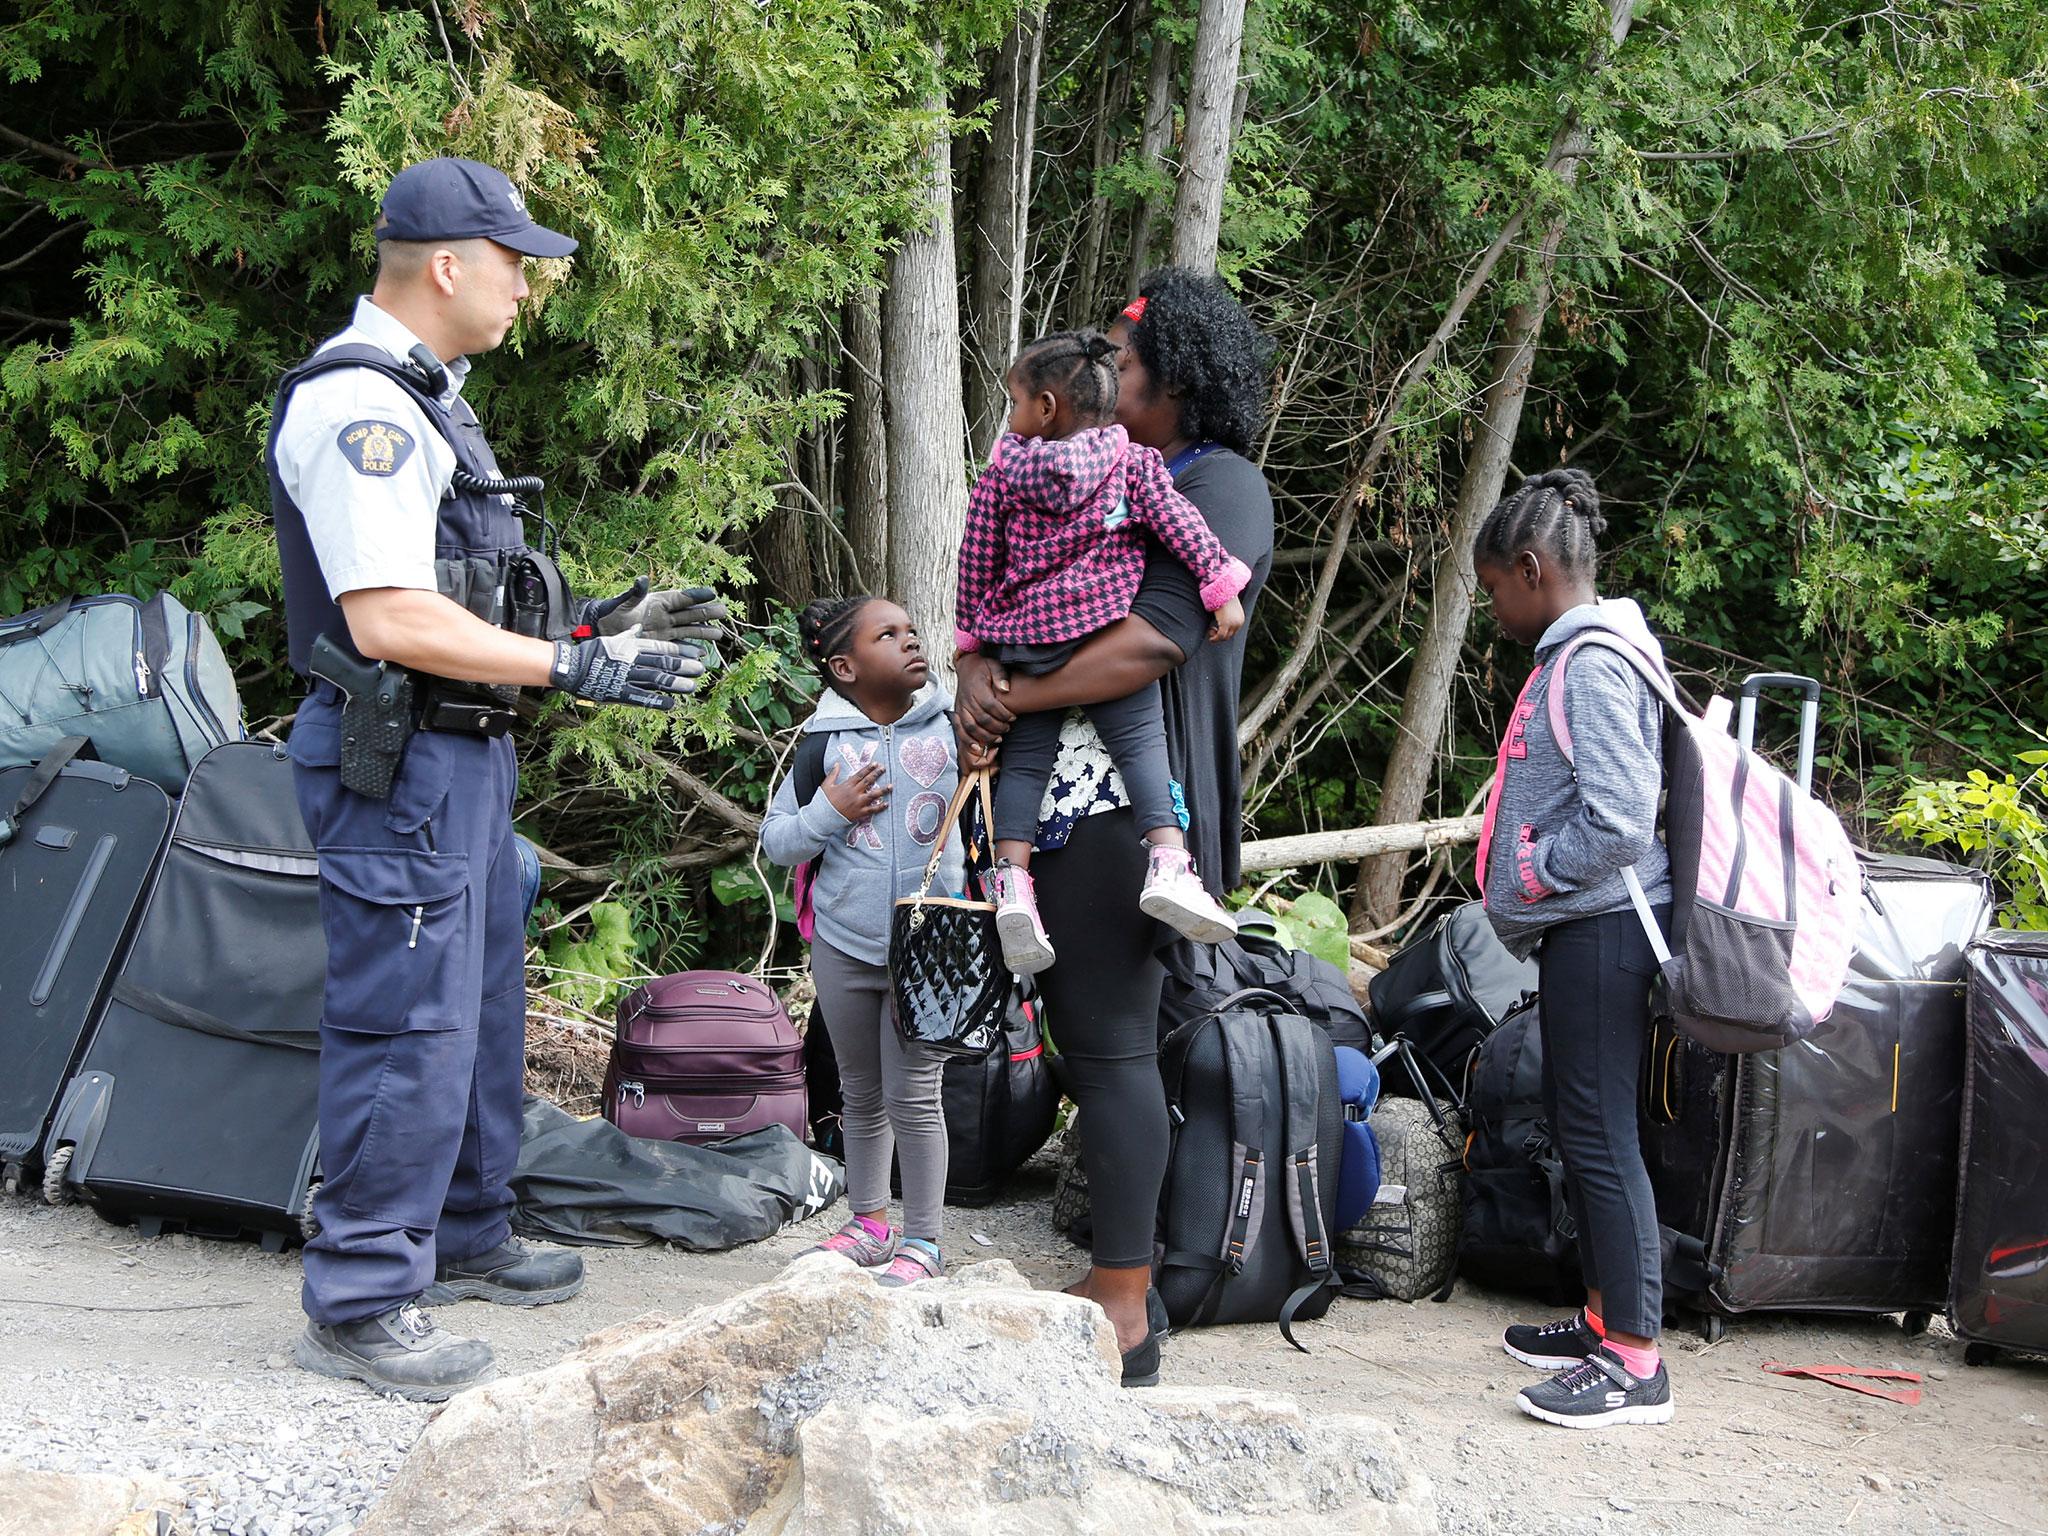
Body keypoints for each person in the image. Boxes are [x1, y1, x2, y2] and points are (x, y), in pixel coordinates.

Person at [268, 156, 724, 1399]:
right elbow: (387, 619)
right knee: (404, 1027)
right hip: (399, 758)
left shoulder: (432, 401)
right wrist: (574, 675)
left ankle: (461, 1234)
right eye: (515, 263)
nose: (529, 286)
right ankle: (361, 1297)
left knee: (473, 1013)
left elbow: (469, 589)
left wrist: (595, 630)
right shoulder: (361, 408)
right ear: (448, 266)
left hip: (457, 757)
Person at [953, 268, 1276, 1387]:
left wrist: (1008, 696)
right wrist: (978, 666)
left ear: (1175, 383)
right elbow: (1004, 597)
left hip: (1128, 809)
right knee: (1097, 1043)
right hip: (1067, 805)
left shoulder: (1219, 486)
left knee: (1114, 1045)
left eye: (1125, 369)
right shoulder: (1085, 476)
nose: (1105, 384)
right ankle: (1122, 1283)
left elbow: (1156, 640)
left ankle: (1125, 1305)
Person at [1471, 466, 1677, 1428]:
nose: (1493, 607)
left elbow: (1625, 818)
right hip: (1583, 927)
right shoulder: (1581, 655)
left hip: (1606, 927)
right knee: (1581, 1119)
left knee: (1600, 1137)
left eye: (1494, 589)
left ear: (1530, 567)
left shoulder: (1592, 664)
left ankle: (1635, 1364)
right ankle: (1604, 1318)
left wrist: (1534, 864)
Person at [956, 330, 1250, 975]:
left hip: (1025, 641)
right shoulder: (1133, 465)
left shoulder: (1001, 477)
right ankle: (1169, 864)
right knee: (1144, 747)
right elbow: (1181, 526)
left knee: (1026, 765)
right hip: (1100, 627)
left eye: (1013, 401)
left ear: (1047, 409)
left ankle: (1013, 885)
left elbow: (976, 560)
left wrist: (972, 644)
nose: (1009, 415)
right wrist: (1219, 585)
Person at [760, 596, 961, 1287]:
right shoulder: (821, 743)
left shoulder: (955, 728)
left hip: (930, 949)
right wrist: (828, 810)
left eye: (912, 630)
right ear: (845, 666)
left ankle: (926, 1241)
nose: (911, 641)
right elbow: (778, 841)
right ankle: (870, 1223)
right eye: (888, 635)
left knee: (915, 1092)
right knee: (859, 1091)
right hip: (844, 947)